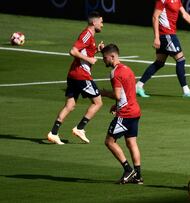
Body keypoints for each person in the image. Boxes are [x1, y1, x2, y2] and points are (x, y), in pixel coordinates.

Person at [47, 11, 104, 145]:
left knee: (70, 105)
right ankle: (80, 128)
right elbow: (73, 51)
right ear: (94, 22)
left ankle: (53, 133)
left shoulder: (90, 36)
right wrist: (89, 58)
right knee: (98, 102)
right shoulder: (87, 34)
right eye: (101, 21)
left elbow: (84, 51)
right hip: (81, 75)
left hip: (73, 74)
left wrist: (97, 51)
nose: (102, 24)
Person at [135, 0, 190, 98]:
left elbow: (185, 14)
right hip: (166, 35)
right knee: (180, 60)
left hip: (168, 34)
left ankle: (138, 86)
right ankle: (186, 91)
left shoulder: (177, 0)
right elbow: (155, 16)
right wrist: (156, 37)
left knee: (159, 63)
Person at [101, 44, 143, 184]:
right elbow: (128, 92)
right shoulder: (128, 69)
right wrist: (116, 105)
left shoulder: (115, 73)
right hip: (135, 111)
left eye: (105, 57)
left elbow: (118, 95)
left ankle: (128, 169)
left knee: (109, 141)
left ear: (112, 56)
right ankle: (138, 175)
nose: (103, 60)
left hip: (125, 114)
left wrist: (104, 93)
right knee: (132, 142)